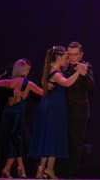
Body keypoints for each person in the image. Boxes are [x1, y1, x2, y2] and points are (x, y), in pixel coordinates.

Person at [28, 46, 88, 179]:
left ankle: (43, 168)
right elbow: (66, 83)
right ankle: (47, 169)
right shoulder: (56, 73)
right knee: (53, 137)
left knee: (48, 137)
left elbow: (46, 80)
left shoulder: (51, 69)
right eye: (66, 58)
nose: (67, 60)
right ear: (59, 58)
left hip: (51, 106)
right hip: (54, 108)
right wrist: (79, 72)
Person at [0, 59, 43, 178]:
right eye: (28, 69)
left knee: (14, 142)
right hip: (17, 115)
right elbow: (43, 93)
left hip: (6, 113)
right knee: (16, 143)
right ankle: (7, 169)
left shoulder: (9, 82)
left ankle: (20, 167)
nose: (29, 72)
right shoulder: (28, 83)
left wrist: (2, 75)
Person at [63, 41, 94, 178]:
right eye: (69, 54)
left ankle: (72, 174)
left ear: (81, 54)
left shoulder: (86, 67)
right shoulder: (64, 67)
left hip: (79, 112)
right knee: (63, 142)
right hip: (63, 110)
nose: (72, 57)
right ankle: (58, 171)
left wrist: (84, 75)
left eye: (75, 55)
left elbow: (91, 86)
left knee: (76, 144)